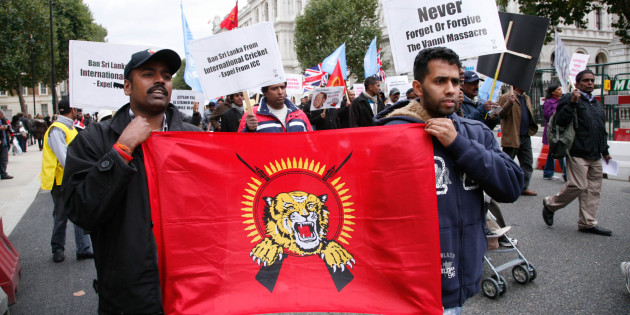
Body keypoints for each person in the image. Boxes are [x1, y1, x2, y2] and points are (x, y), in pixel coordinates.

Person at [375, 47, 523, 313]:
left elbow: (511, 187)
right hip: (411, 282)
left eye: (456, 81)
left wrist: (460, 145)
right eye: (440, 81)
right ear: (418, 87)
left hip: (463, 275)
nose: (451, 89)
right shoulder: (391, 136)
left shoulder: (476, 134)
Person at [63, 48, 201, 313]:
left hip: (190, 290)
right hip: (128, 295)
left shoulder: (194, 139)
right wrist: (122, 150)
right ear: (127, 86)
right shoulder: (94, 139)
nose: (160, 81)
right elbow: (81, 211)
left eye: (166, 76)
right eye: (148, 74)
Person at [542, 69, 612, 236]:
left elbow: (600, 129)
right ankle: (550, 205)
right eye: (586, 81)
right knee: (578, 185)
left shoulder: (596, 103)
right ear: (578, 83)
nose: (590, 83)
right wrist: (573, 102)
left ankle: (587, 223)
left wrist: (605, 151)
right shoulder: (569, 98)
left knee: (593, 189)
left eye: (592, 81)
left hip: (595, 153)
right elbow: (560, 121)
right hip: (577, 151)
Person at [41, 98, 94, 263]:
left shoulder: (68, 127)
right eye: (76, 109)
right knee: (61, 215)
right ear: (71, 110)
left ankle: (83, 249)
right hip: (61, 179)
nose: (78, 112)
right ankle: (58, 248)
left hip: (70, 176)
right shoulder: (57, 129)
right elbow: (64, 157)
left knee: (78, 211)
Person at [498, 86, 538, 196]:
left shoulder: (527, 98)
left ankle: (523, 187)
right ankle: (501, 186)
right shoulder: (506, 97)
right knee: (506, 163)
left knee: (527, 163)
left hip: (525, 136)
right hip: (512, 137)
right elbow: (496, 113)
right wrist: (508, 103)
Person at [240, 82, 312, 133]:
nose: (280, 92)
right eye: (274, 89)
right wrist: (249, 130)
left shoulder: (299, 114)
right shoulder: (251, 115)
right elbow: (240, 146)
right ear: (265, 92)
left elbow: (310, 142)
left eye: (282, 87)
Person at [542, 84, 567, 181]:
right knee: (559, 151)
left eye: (561, 89)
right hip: (552, 131)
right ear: (553, 92)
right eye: (558, 89)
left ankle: (548, 172)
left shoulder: (562, 101)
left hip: (561, 130)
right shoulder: (549, 102)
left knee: (553, 151)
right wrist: (558, 113)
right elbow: (546, 115)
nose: (561, 91)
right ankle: (566, 174)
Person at [0, 110, 12, 180]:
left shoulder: (3, 120)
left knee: (4, 159)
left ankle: (3, 173)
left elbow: (8, 129)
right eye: (1, 114)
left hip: (4, 142)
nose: (2, 116)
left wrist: (8, 127)